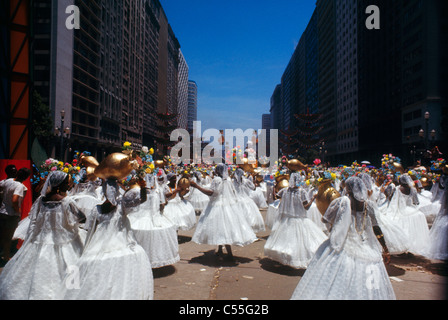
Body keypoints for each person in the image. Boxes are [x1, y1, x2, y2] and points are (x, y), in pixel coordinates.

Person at [291, 176, 396, 300]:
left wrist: (338, 222)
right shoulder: (370, 206)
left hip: (342, 245)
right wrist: (385, 248)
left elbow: (324, 219)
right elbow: (376, 228)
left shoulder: (341, 202)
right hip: (366, 246)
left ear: (348, 189)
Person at [59, 176, 154, 300]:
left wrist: (141, 186)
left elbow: (139, 200)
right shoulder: (102, 208)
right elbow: (91, 230)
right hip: (106, 246)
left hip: (118, 245)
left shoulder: (119, 206)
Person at [0, 171, 86, 300]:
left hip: (41, 239)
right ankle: (71, 292)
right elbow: (82, 218)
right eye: (66, 182)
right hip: (64, 240)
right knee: (70, 267)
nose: (68, 184)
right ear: (59, 184)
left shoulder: (41, 200)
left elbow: (34, 220)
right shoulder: (67, 201)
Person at [191, 164, 257, 260]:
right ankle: (221, 250)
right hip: (228, 205)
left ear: (218, 171)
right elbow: (233, 193)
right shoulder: (229, 180)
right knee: (223, 228)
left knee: (221, 228)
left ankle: (229, 254)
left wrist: (196, 186)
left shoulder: (217, 179)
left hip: (218, 206)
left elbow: (212, 193)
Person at [264, 171, 327, 269]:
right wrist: (312, 199)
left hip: (286, 220)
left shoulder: (285, 191)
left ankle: (285, 259)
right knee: (301, 242)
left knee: (285, 241)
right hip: (299, 219)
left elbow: (276, 196)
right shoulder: (301, 191)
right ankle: (296, 259)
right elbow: (306, 207)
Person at [0, 167, 30, 262]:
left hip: (2, 211)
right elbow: (15, 199)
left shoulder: (8, 181)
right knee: (8, 237)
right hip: (11, 214)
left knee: (2, 234)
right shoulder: (19, 186)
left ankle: (4, 254)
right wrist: (17, 210)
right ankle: (6, 256)